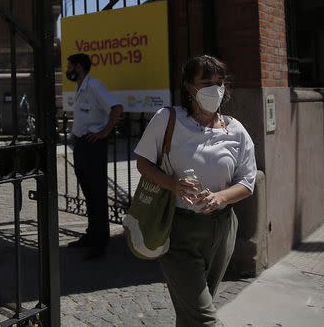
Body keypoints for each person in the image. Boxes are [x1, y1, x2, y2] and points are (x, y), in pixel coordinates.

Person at [135, 55, 257, 326]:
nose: (215, 89)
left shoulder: (235, 130)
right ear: (189, 86)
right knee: (203, 318)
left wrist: (220, 197)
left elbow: (247, 182)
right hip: (179, 230)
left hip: (222, 229)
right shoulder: (167, 119)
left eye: (219, 83)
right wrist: (173, 185)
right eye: (206, 83)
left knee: (193, 313)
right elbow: (143, 162)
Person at [65, 53, 123, 259]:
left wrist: (104, 132)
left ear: (79, 67)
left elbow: (116, 108)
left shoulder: (94, 86)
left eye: (70, 66)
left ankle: (100, 242)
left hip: (93, 145)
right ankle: (91, 235)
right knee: (88, 192)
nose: (68, 70)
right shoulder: (81, 87)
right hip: (81, 144)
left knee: (97, 194)